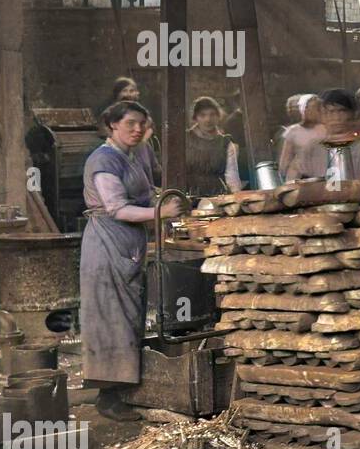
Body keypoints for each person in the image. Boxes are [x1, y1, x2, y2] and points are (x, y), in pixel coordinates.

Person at [81, 101, 184, 421]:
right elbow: (117, 208)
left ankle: (123, 388)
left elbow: (141, 193)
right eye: (130, 123)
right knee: (110, 320)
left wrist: (159, 198)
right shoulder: (103, 160)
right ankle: (107, 398)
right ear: (112, 125)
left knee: (127, 318)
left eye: (141, 123)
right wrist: (160, 213)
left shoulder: (130, 155)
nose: (137, 129)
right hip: (106, 245)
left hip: (128, 246)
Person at [314, 89, 360, 180]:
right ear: (321, 115)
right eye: (330, 112)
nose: (337, 118)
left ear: (353, 114)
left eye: (342, 111)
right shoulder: (313, 150)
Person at [186, 97, 242, 197]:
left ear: (218, 116)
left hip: (217, 197)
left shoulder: (226, 143)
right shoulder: (185, 139)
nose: (208, 119)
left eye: (212, 114)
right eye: (202, 115)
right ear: (195, 118)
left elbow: (232, 177)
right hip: (188, 196)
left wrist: (237, 198)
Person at [279, 94, 327, 181]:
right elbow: (285, 159)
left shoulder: (326, 130)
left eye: (314, 108)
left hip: (324, 177)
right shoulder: (293, 131)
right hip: (300, 178)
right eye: (307, 107)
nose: (310, 111)